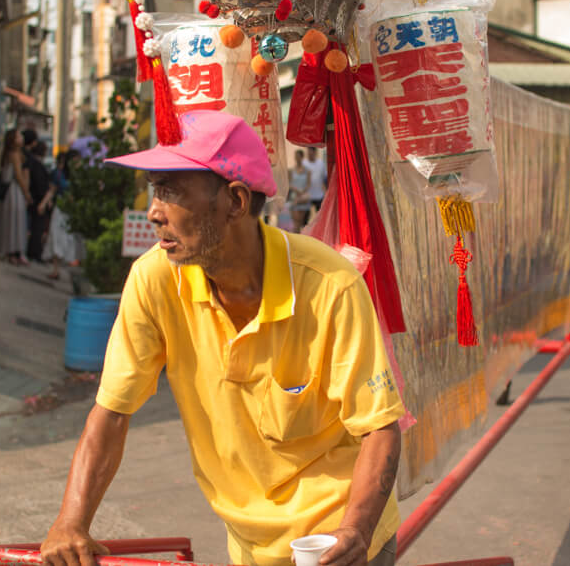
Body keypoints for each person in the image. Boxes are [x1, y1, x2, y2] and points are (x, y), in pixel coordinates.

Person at [41, 112, 404, 566]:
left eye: (171, 192)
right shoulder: (154, 279)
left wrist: (356, 530)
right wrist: (71, 521)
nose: (154, 212)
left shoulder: (329, 283)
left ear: (234, 201)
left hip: (337, 536)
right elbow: (112, 411)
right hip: (249, 543)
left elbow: (379, 428)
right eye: (156, 191)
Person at [0, 129, 33, 265]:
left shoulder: (11, 154)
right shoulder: (14, 154)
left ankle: (13, 251)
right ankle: (14, 252)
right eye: (18, 136)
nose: (21, 138)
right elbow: (18, 175)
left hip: (12, 192)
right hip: (14, 192)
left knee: (12, 221)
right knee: (16, 221)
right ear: (13, 139)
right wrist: (27, 194)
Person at [44, 150, 80, 280]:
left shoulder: (79, 177)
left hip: (71, 212)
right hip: (60, 210)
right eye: (76, 160)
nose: (78, 163)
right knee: (56, 237)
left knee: (67, 239)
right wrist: (43, 204)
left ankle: (63, 268)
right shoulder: (59, 174)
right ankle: (56, 269)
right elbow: (52, 191)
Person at [26, 140, 53, 264]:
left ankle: (33, 252)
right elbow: (43, 186)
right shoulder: (37, 165)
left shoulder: (33, 164)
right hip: (39, 200)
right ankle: (34, 253)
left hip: (36, 199)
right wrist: (43, 202)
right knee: (37, 228)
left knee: (36, 228)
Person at [288, 149, 312, 233]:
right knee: (296, 222)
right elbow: (289, 184)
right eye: (295, 157)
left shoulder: (307, 171)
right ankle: (296, 239)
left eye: (298, 156)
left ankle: (299, 238)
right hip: (294, 198)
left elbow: (309, 184)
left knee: (301, 222)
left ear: (301, 157)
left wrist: (302, 191)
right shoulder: (291, 171)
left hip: (303, 199)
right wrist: (296, 190)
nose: (296, 158)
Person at [302, 146, 328, 220]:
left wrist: (326, 192)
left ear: (315, 152)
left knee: (320, 217)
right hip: (307, 196)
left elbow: (325, 178)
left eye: (311, 152)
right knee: (305, 218)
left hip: (319, 195)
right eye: (308, 152)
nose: (310, 154)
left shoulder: (321, 164)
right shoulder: (304, 163)